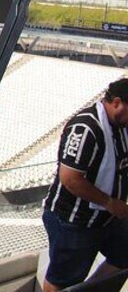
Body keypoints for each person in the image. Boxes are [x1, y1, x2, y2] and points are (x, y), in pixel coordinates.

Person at [41, 78, 128, 291]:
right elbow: (70, 178)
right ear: (117, 102)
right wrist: (108, 202)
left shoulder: (121, 126)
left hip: (106, 218)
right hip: (74, 220)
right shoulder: (86, 127)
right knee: (63, 280)